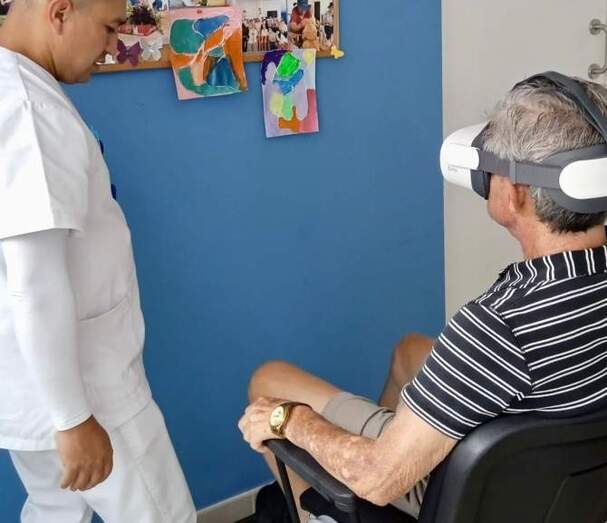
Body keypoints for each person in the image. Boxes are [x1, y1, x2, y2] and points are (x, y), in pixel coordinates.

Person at [239, 74, 607, 521]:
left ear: (515, 194)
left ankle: (326, 513)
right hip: (562, 479)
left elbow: (378, 476)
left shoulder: (497, 326)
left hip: (452, 485)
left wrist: (288, 419)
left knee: (270, 382)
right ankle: (404, 434)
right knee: (409, 351)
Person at [0, 0, 196, 521]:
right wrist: (73, 418)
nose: (112, 47)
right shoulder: (27, 109)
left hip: (29, 382)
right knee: (163, 514)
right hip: (89, 391)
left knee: (53, 510)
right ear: (60, 13)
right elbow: (34, 283)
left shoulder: (14, 88)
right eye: (109, 29)